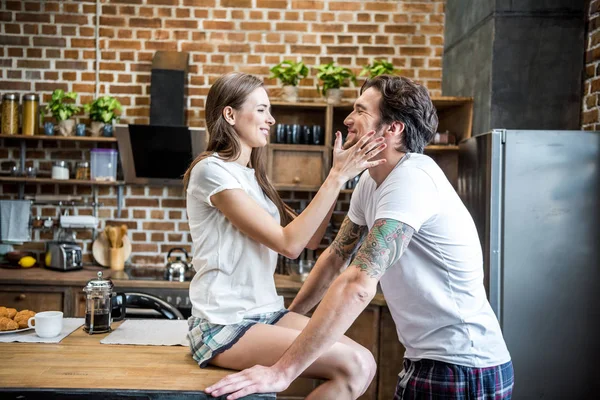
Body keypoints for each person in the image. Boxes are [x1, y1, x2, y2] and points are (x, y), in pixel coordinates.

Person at [206, 75, 514, 400]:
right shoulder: (370, 181)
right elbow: (335, 259)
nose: (348, 120)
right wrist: (288, 320)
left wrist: (282, 371)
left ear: (393, 129)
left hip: (466, 366)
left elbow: (357, 284)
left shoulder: (412, 178)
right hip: (425, 360)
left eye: (360, 111)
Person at [183, 72, 388, 399]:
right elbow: (289, 245)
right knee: (352, 365)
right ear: (230, 114)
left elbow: (310, 237)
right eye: (262, 109)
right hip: (224, 323)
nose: (271, 118)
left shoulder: (253, 179)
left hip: (266, 313)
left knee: (365, 362)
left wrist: (337, 175)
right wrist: (337, 176)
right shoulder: (211, 171)